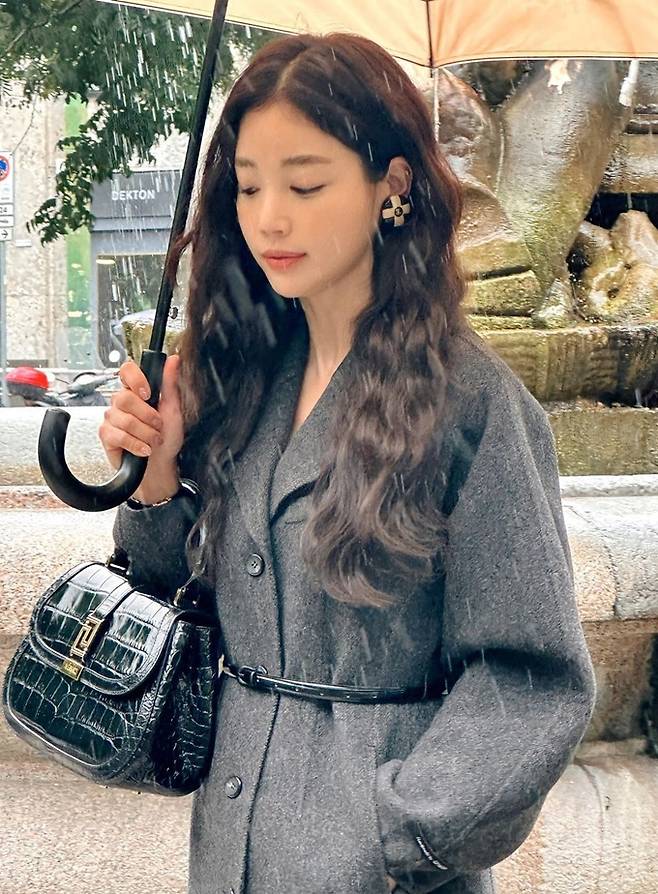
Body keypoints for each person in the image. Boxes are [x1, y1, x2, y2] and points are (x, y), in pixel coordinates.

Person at [99, 31, 597, 894]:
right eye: (248, 185)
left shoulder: (473, 405)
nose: (270, 218)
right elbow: (183, 607)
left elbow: (530, 677)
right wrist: (157, 478)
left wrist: (398, 831)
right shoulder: (243, 381)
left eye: (305, 184)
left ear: (391, 185)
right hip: (231, 852)